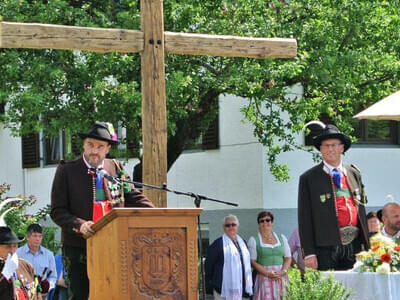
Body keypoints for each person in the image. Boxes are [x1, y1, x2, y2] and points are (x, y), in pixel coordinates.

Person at [50, 121, 154, 300]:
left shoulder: (116, 169)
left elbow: (133, 197)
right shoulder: (67, 170)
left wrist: (157, 214)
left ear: (107, 149)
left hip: (114, 245)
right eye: (90, 144)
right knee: (81, 296)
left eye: (100, 146)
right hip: (79, 248)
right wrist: (79, 225)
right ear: (83, 145)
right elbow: (58, 211)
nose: (94, 151)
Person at [298, 123, 369, 271]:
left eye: (334, 145)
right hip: (325, 246)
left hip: (354, 243)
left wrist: (366, 244)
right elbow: (305, 218)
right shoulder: (309, 178)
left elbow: (361, 209)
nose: (330, 149)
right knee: (330, 290)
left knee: (356, 289)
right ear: (320, 149)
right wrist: (309, 253)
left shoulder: (353, 173)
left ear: (342, 148)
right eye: (326, 145)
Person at [205, 215, 253, 300]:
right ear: (224, 228)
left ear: (237, 226)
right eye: (227, 225)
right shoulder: (218, 244)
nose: (230, 227)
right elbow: (208, 265)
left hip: (241, 288)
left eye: (233, 225)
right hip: (222, 289)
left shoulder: (243, 243)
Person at [248, 211, 291, 300]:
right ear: (258, 224)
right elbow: (253, 261)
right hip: (264, 276)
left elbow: (288, 257)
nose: (265, 223)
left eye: (268, 220)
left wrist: (283, 271)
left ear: (272, 222)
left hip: (281, 276)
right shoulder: (254, 240)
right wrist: (267, 273)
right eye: (262, 221)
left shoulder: (282, 237)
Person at [0, 226, 41, 300]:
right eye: (8, 246)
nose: (12, 250)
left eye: (15, 246)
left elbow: (36, 292)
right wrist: (5, 275)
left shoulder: (26, 265)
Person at [17, 223, 57, 298]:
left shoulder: (49, 255)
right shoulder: (17, 253)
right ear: (27, 237)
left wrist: (47, 288)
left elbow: (53, 276)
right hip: (23, 294)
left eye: (40, 236)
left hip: (42, 295)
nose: (37, 239)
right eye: (35, 236)